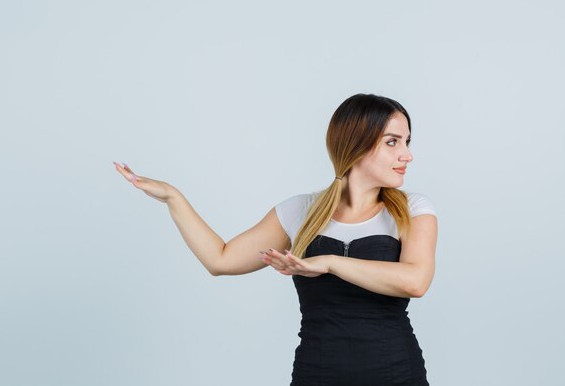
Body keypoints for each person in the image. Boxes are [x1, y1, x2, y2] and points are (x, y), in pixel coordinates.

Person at [113, 93, 438, 386]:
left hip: (397, 374)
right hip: (317, 374)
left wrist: (327, 262)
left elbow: (415, 281)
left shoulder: (412, 209)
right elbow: (220, 260)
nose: (407, 155)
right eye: (393, 142)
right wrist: (174, 198)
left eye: (408, 141)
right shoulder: (300, 210)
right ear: (357, 144)